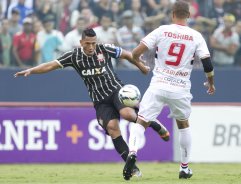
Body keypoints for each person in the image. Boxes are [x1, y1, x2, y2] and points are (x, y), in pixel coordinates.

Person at [14, 28, 170, 177]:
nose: (91, 46)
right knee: (112, 128)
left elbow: (127, 55)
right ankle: (132, 166)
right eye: (88, 43)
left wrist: (141, 66)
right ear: (81, 42)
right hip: (100, 100)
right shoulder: (73, 56)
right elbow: (51, 65)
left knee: (128, 114)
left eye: (93, 43)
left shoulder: (104, 49)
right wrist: (31, 70)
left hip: (116, 91)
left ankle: (155, 125)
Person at [123, 0, 215, 180]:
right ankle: (184, 167)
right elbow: (207, 63)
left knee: (141, 122)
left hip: (158, 84)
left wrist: (140, 63)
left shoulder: (162, 30)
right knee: (183, 124)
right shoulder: (196, 36)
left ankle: (132, 152)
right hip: (180, 88)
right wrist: (210, 82)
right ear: (189, 15)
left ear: (172, 14)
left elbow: (135, 52)